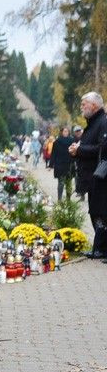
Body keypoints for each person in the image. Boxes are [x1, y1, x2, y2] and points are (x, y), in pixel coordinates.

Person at [73, 93, 107, 256]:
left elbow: (102, 148)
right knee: (95, 211)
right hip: (92, 175)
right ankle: (100, 247)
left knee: (100, 212)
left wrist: (80, 149)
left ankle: (102, 248)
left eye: (84, 104)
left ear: (94, 106)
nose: (81, 107)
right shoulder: (93, 123)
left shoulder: (103, 122)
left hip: (100, 176)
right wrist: (77, 150)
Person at [50, 126, 75, 202]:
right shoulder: (57, 142)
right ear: (61, 132)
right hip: (60, 165)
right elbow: (53, 154)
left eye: (67, 131)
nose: (66, 133)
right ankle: (59, 199)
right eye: (64, 131)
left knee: (69, 183)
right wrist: (51, 165)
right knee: (61, 183)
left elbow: (75, 152)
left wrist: (75, 161)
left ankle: (68, 199)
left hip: (69, 165)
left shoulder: (72, 141)